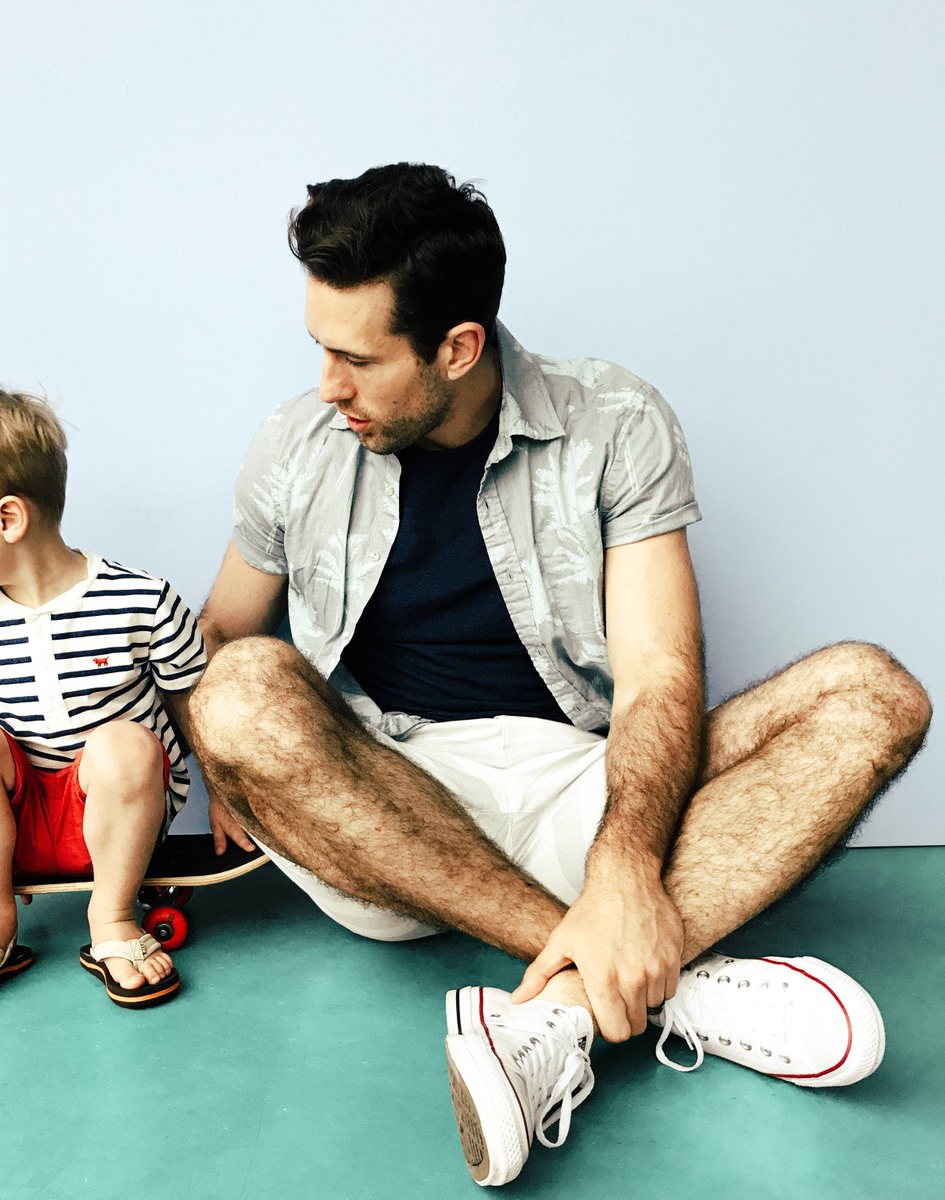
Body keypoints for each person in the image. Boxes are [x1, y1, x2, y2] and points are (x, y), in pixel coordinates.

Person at [187, 163, 932, 1186]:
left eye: (357, 358)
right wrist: (226, 761)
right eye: (321, 349)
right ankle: (658, 985)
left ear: (458, 348)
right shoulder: (295, 445)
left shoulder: (613, 418)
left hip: (585, 786)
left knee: (872, 694)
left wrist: (625, 864)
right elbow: (224, 636)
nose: (329, 386)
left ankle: (563, 1016)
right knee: (235, 694)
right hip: (382, 809)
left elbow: (660, 675)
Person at [0, 386, 206, 1017]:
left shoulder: (142, 600)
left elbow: (196, 705)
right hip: (8, 832)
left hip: (119, 826)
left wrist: (235, 799)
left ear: (7, 520)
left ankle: (113, 919)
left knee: (126, 742)